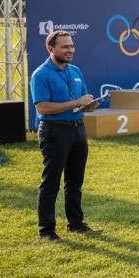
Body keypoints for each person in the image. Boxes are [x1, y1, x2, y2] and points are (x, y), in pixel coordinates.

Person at [31, 29, 101, 241]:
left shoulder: (76, 70)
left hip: (78, 129)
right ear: (51, 49)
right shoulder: (41, 74)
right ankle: (46, 231)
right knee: (51, 182)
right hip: (54, 131)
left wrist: (89, 106)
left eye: (71, 46)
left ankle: (76, 224)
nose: (70, 50)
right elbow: (43, 108)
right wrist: (77, 103)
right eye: (65, 47)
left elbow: (81, 102)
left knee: (75, 181)